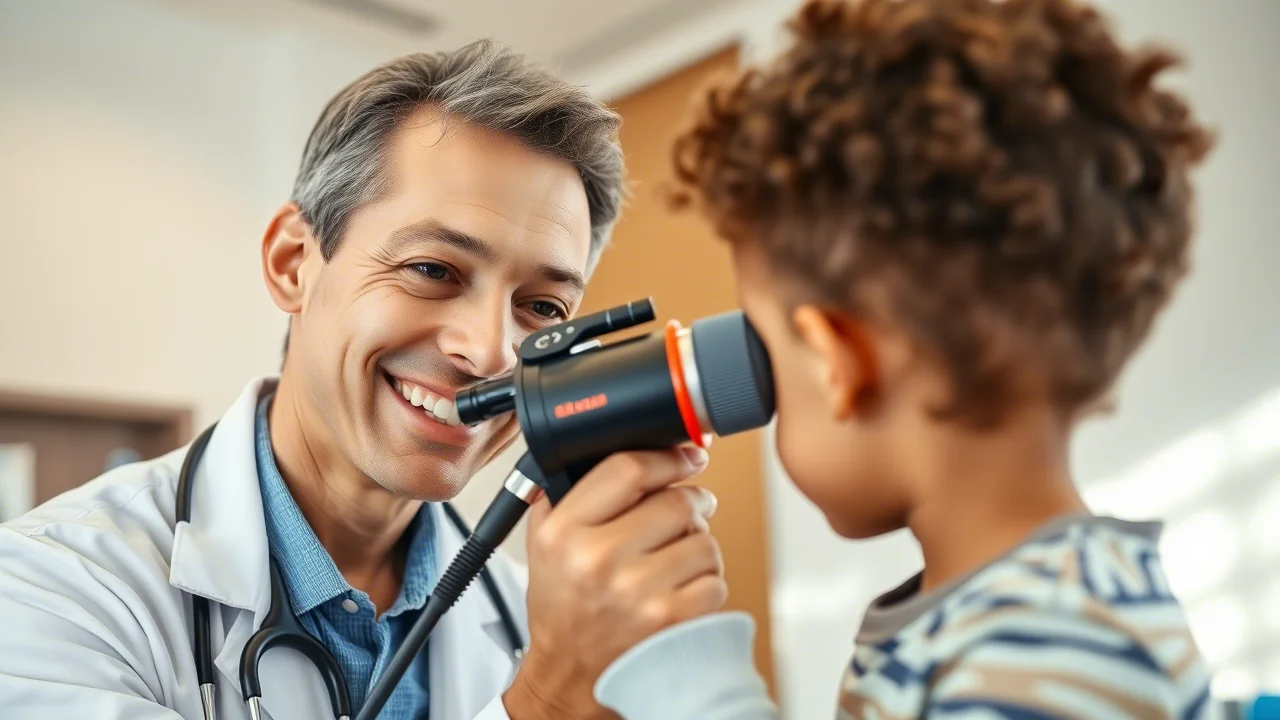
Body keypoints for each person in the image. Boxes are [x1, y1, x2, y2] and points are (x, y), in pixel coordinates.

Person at [0, 40, 727, 720]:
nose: (491, 351)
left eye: (541, 307)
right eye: (433, 270)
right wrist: (545, 704)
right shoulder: (53, 591)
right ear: (293, 263)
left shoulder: (527, 610)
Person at [591, 0, 1218, 718]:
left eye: (768, 350)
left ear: (836, 362)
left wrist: (686, 674)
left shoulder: (1047, 652)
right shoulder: (1023, 614)